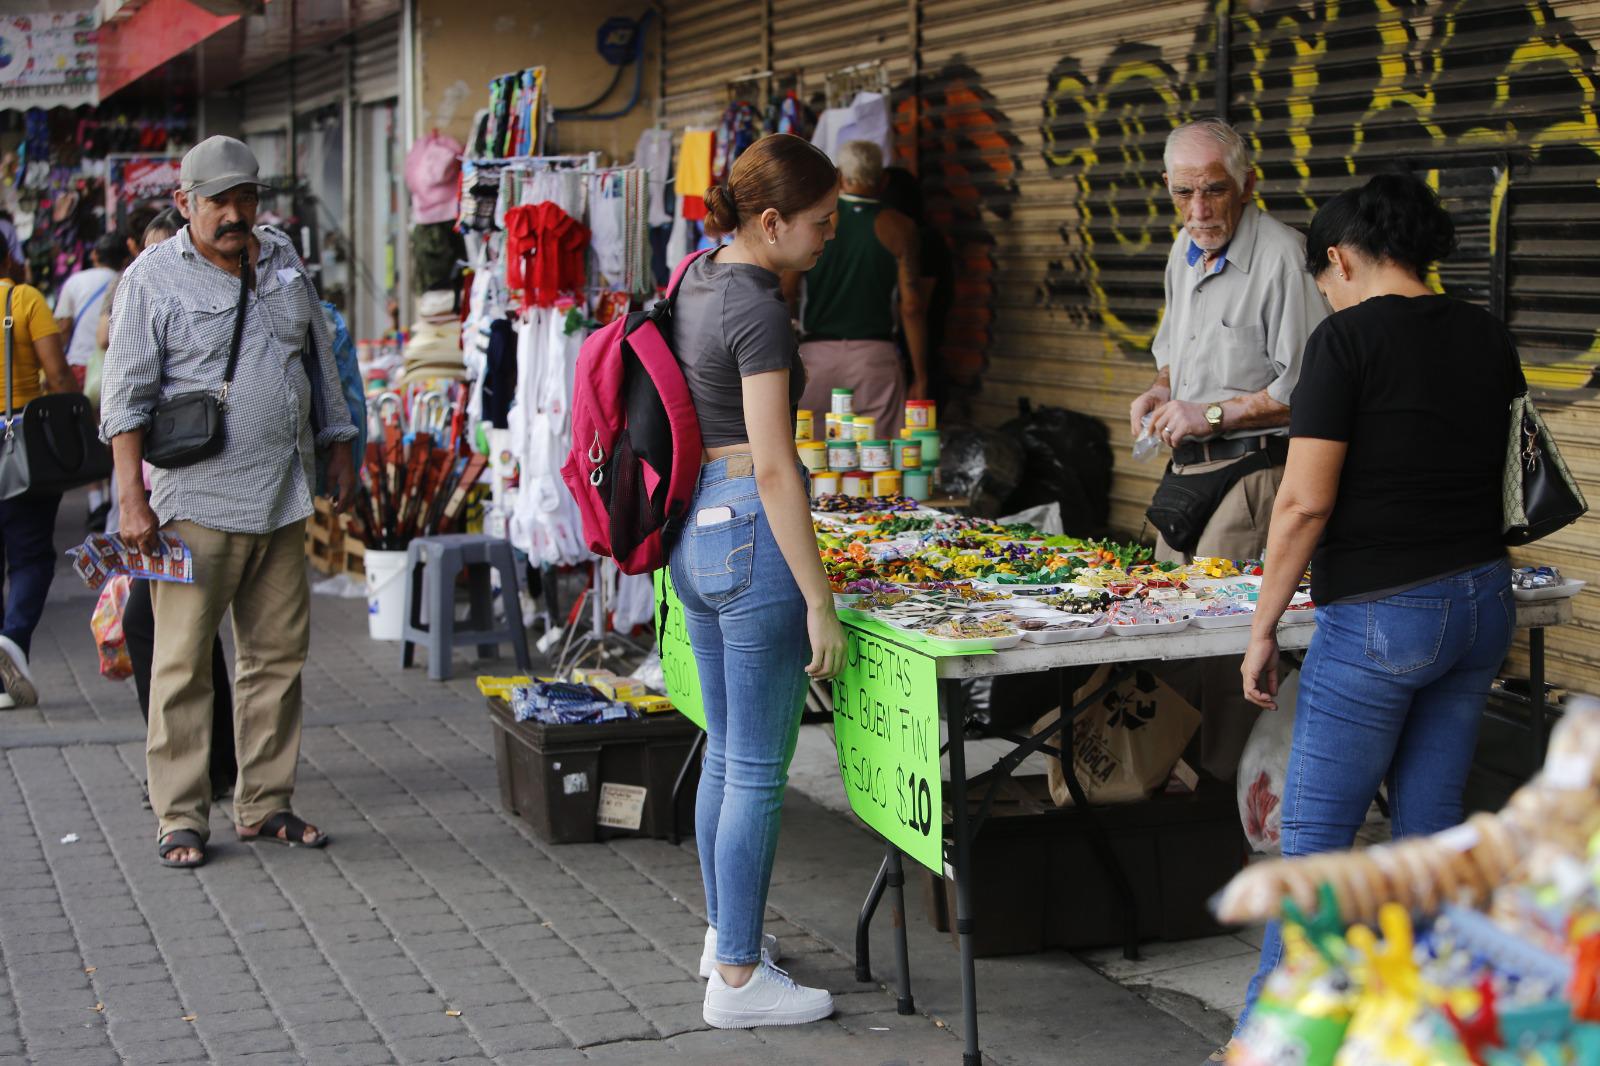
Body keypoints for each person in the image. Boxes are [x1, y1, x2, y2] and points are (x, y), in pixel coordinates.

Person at [1226, 173, 1522, 1060]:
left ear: (1343, 259)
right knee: (1427, 834)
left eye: (1324, 278)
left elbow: (1303, 506)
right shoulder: (1486, 333)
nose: (1326, 292)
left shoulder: (1345, 343)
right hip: (1480, 605)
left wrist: (1259, 627)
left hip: (1384, 620)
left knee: (1317, 840)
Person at [100, 136, 358, 869]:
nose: (234, 213)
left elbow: (317, 359)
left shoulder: (281, 260)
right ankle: (180, 814)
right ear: (185, 203)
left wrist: (338, 441)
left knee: (276, 657)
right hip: (193, 505)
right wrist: (130, 501)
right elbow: (122, 401)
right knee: (182, 662)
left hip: (283, 497)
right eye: (218, 201)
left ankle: (265, 803)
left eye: (245, 198)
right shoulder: (153, 278)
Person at [671, 132, 844, 1029]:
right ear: (770, 221)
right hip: (748, 533)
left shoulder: (696, 275)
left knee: (728, 757)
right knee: (758, 776)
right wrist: (820, 599)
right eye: (819, 222)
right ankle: (737, 979)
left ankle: (722, 940)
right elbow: (777, 466)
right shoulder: (761, 310)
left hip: (695, 535)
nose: (829, 237)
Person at [1129, 117, 1327, 780]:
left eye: (1213, 191)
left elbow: (1307, 392)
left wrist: (1210, 411)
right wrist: (1159, 393)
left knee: (1221, 640)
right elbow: (1171, 361)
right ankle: (1174, 792)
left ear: (1247, 183)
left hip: (1255, 471)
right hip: (1192, 469)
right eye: (1183, 193)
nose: (1199, 210)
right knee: (1166, 627)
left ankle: (1223, 802)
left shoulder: (1282, 258)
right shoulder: (1183, 252)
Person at [114, 209, 237, 801]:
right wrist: (130, 498)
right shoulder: (145, 297)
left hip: (195, 495)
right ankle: (209, 768)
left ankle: (196, 771)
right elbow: (126, 404)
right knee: (182, 634)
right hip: (165, 496)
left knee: (169, 633)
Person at [788, 140, 928, 438]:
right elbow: (911, 306)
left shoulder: (813, 223)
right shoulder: (901, 228)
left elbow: (785, 291)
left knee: (809, 460)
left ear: (839, 177)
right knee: (876, 466)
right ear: (884, 180)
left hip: (815, 359)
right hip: (874, 361)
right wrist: (921, 374)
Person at [0, 257, 78, 709]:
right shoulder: (23, 298)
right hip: (21, 447)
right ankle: (11, 643)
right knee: (30, 555)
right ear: (10, 261)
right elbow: (58, 372)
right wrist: (76, 424)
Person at [880, 166, 954, 412]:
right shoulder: (921, 239)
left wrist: (919, 376)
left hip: (915, 358)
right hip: (914, 357)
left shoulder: (922, 241)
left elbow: (915, 307)